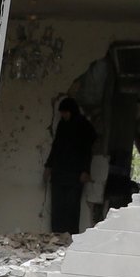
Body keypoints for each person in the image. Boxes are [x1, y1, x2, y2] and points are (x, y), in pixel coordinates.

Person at [45, 97, 96, 235]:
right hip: (59, 173)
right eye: (62, 113)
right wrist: (48, 166)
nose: (63, 115)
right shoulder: (62, 125)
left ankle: (70, 237)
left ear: (72, 111)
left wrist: (85, 170)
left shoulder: (83, 126)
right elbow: (56, 147)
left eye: (66, 112)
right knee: (57, 207)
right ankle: (56, 235)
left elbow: (87, 150)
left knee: (72, 208)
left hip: (75, 175)